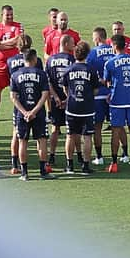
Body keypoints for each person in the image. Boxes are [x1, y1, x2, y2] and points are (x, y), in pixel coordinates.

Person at [102, 34, 130, 172]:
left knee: (116, 130)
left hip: (116, 101)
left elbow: (106, 81)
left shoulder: (109, 63)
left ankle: (114, 163)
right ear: (124, 46)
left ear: (114, 46)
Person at [9, 49, 50, 181]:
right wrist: (34, 111)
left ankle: (24, 173)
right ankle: (43, 171)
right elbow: (45, 95)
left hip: (22, 114)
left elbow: (13, 97)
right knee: (42, 140)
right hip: (38, 113)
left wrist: (24, 112)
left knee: (22, 142)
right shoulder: (41, 74)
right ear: (34, 59)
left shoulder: (15, 75)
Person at [6, 33, 40, 173]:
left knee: (16, 133)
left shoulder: (10, 60)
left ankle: (15, 164)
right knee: (40, 136)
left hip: (18, 101)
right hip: (34, 100)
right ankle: (44, 164)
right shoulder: (35, 60)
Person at [63, 40, 98, 175]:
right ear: (87, 54)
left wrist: (71, 96)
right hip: (87, 108)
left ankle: (69, 165)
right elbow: (95, 90)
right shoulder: (91, 70)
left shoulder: (68, 69)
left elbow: (65, 88)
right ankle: (85, 166)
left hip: (72, 107)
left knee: (70, 136)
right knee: (87, 137)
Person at [45, 34, 76, 168]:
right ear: (66, 44)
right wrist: (66, 98)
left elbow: (48, 81)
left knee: (55, 128)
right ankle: (76, 156)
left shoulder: (50, 60)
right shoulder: (72, 59)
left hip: (54, 99)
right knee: (73, 130)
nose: (74, 46)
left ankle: (51, 155)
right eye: (72, 43)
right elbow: (73, 81)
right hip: (69, 99)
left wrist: (56, 97)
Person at [87, 27, 116, 165]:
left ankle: (99, 157)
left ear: (97, 38)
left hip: (98, 95)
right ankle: (124, 154)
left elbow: (88, 73)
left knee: (97, 127)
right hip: (114, 94)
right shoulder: (114, 50)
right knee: (118, 126)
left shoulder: (92, 53)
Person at [0, 4, 22, 117]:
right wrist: (10, 45)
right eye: (7, 15)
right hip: (0, 63)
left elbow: (18, 40)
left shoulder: (17, 26)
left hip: (15, 63)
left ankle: (19, 111)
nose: (10, 17)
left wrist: (0, 44)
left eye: (11, 15)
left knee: (18, 88)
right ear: (2, 15)